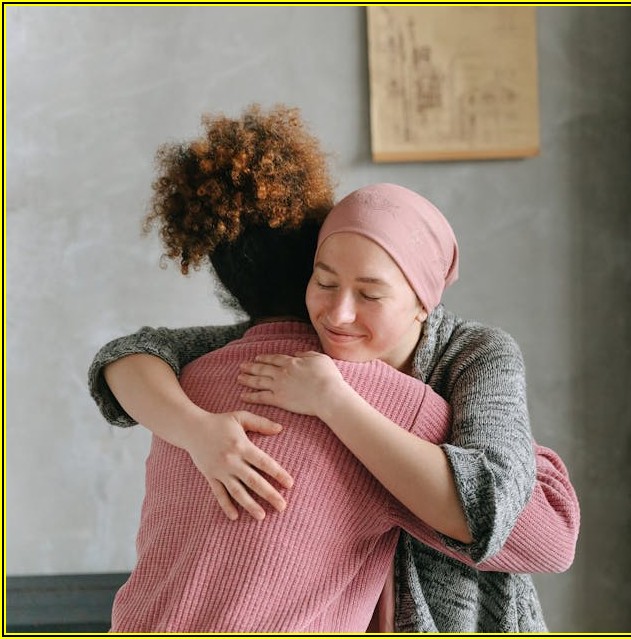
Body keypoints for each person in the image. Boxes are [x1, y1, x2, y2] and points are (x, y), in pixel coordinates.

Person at [89, 109, 580, 632]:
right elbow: (132, 353)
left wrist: (335, 401)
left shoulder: (473, 356)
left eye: (369, 294)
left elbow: (518, 521)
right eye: (324, 283)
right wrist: (201, 432)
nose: (339, 314)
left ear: (423, 304)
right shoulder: (275, 357)